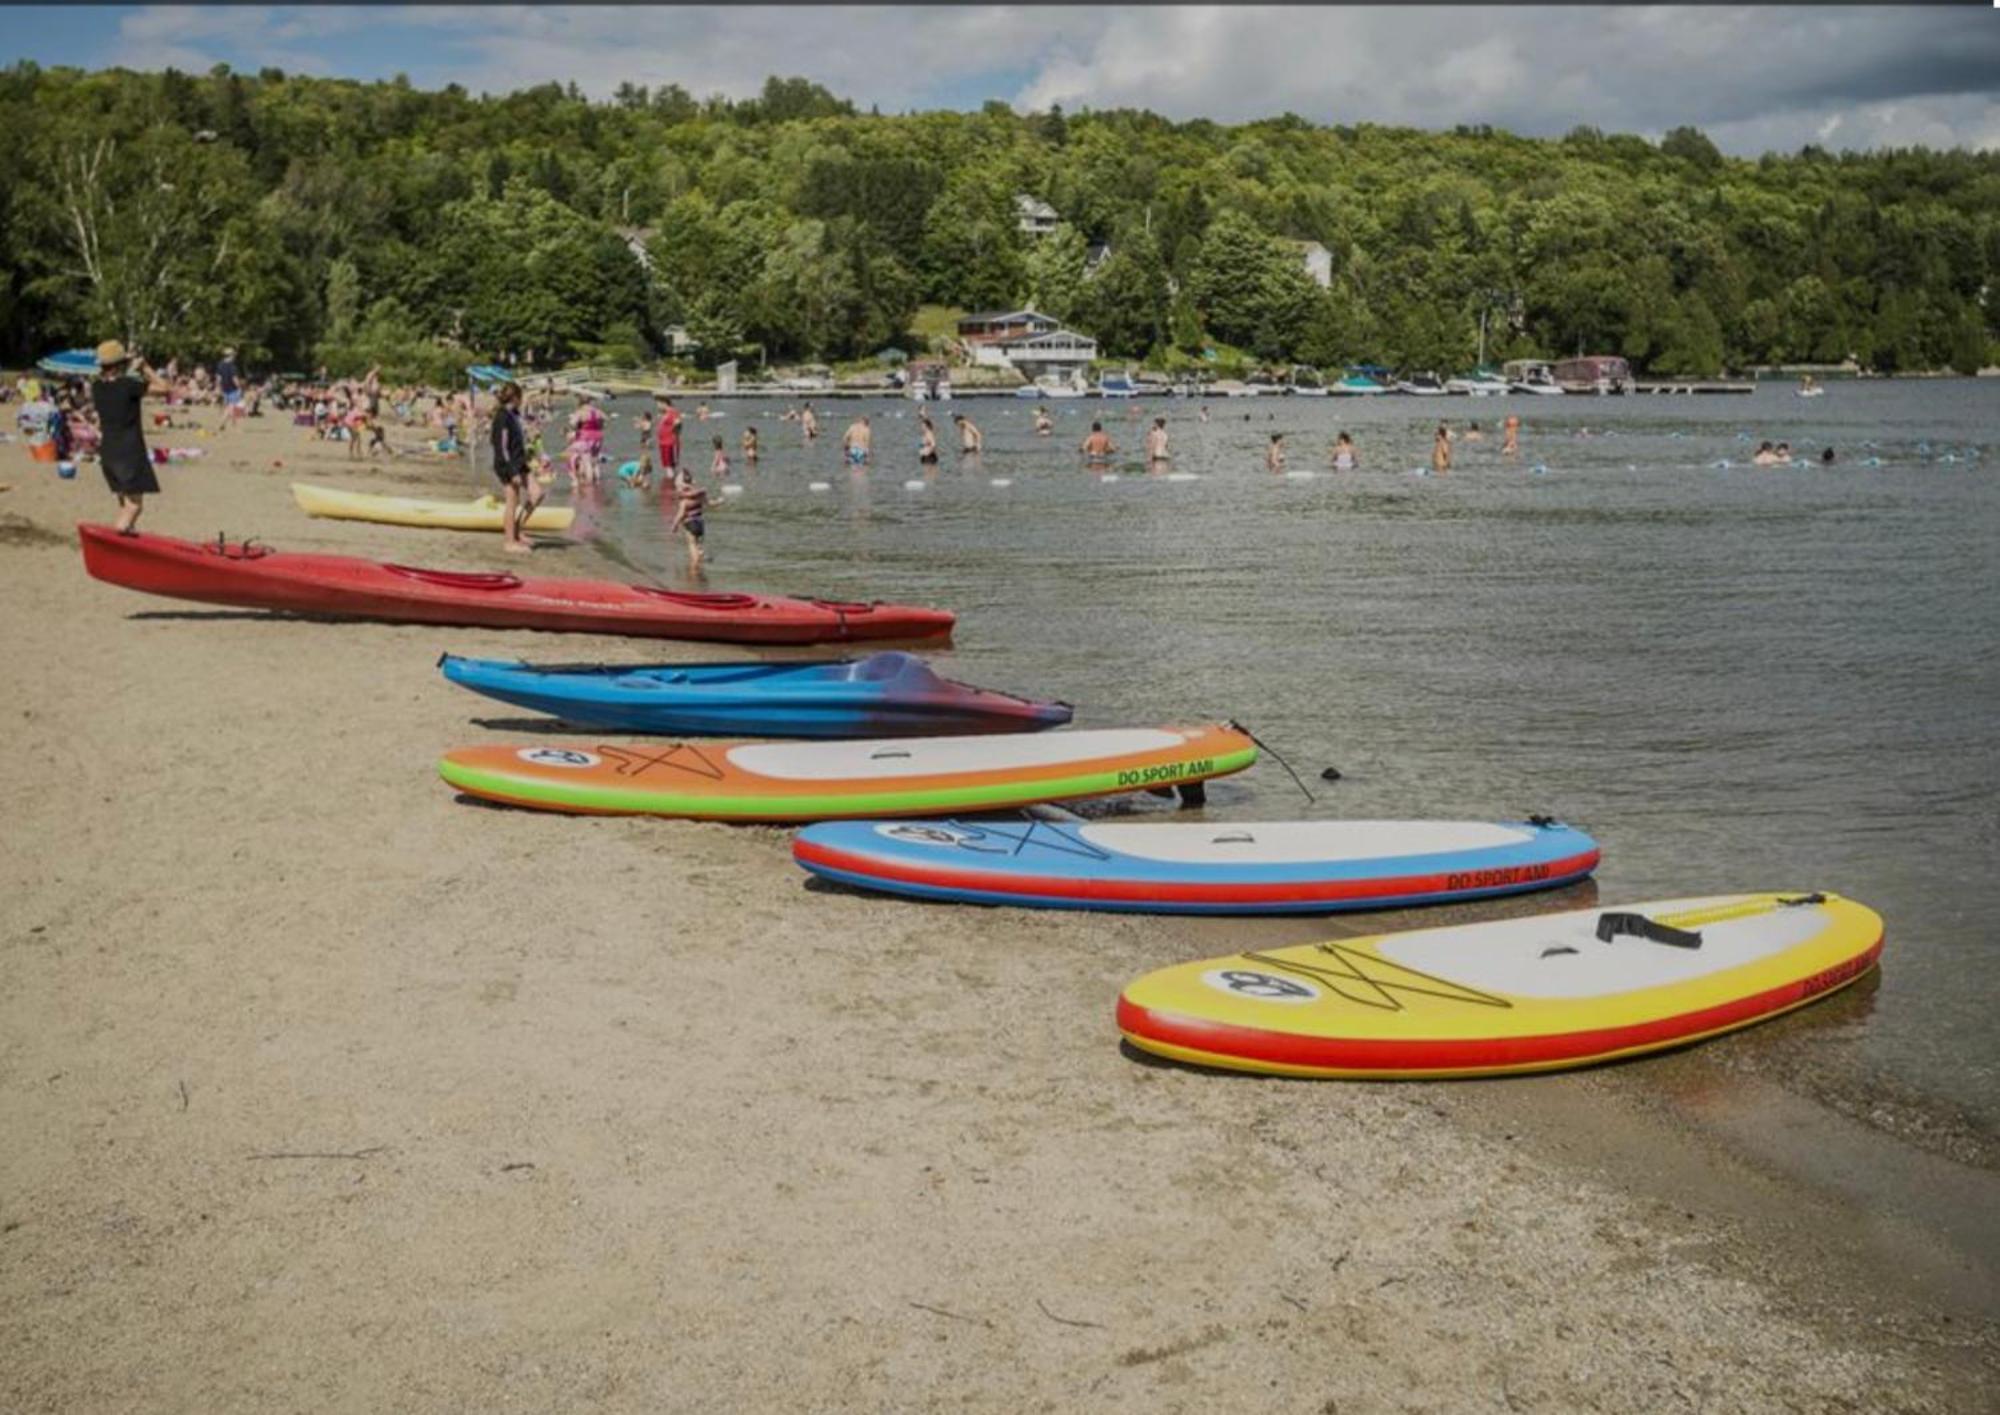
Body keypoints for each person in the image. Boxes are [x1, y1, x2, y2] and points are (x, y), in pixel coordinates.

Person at [91, 342, 158, 535]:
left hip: (108, 452)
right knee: (134, 505)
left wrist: (129, 369)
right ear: (121, 364)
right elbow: (165, 387)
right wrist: (145, 367)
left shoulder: (97, 387)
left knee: (124, 502)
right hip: (129, 451)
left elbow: (115, 384)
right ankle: (117, 535)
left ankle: (127, 534)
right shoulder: (129, 386)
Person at [491, 382, 540, 553]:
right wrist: (512, 471)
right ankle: (509, 542)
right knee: (512, 501)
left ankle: (517, 531)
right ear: (516, 398)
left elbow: (518, 438)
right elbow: (502, 447)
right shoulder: (502, 416)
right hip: (507, 464)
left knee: (536, 494)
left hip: (519, 462)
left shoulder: (514, 414)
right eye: (522, 398)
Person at [668, 462, 708, 571]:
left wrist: (674, 525)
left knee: (691, 544)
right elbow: (708, 503)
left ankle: (694, 568)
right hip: (700, 523)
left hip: (690, 523)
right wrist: (718, 502)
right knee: (697, 543)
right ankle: (700, 556)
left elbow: (681, 514)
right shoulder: (698, 496)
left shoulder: (684, 500)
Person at [215, 345, 241, 433]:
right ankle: (221, 424)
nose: (234, 357)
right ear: (231, 356)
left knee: (230, 408)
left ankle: (234, 425)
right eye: (233, 355)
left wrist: (218, 388)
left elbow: (218, 377)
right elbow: (235, 379)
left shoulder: (220, 364)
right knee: (231, 408)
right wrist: (240, 387)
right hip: (233, 389)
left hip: (224, 388)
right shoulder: (232, 366)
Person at [654, 394, 682, 474]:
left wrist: (673, 432)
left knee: (670, 465)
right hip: (663, 442)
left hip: (670, 442)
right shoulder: (664, 414)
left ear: (664, 403)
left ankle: (671, 483)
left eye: (658, 404)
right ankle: (670, 482)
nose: (657, 407)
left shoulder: (672, 411)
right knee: (666, 465)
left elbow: (678, 422)